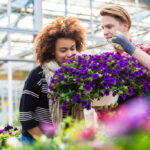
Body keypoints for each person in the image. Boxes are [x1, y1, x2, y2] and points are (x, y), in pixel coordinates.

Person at [19, 17, 86, 144]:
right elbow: (25, 116)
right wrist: (47, 143)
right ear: (52, 52)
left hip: (62, 141)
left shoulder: (76, 75)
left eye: (73, 48)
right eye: (63, 50)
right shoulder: (38, 75)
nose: (70, 53)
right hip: (35, 141)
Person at [100, 4, 150, 69]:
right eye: (103, 28)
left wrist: (130, 49)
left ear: (125, 26)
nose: (105, 32)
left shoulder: (146, 49)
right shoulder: (105, 58)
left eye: (109, 27)